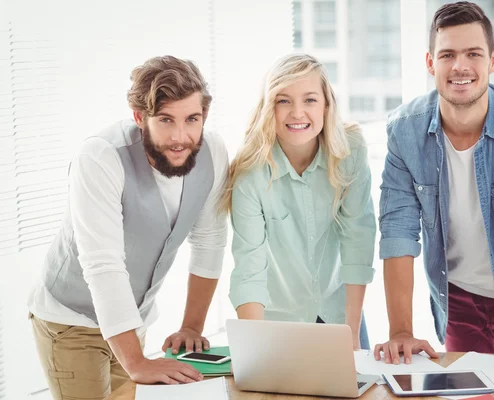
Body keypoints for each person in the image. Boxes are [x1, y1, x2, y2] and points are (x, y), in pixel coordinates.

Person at [374, 2, 494, 396]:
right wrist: (400, 330)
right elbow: (397, 230)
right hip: (457, 298)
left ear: (493, 60)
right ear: (431, 62)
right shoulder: (403, 132)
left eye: (473, 54)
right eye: (447, 54)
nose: (459, 66)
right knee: (466, 395)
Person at [27, 55, 229, 399]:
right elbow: (103, 263)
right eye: (165, 120)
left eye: (191, 119)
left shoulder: (212, 152)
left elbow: (209, 240)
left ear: (204, 116)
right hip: (71, 319)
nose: (180, 136)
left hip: (130, 321)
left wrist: (192, 326)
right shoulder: (101, 157)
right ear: (140, 117)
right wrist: (136, 361)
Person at [223, 53, 376, 350]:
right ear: (269, 108)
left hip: (341, 317)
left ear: (326, 105)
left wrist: (353, 336)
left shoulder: (350, 151)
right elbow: (249, 269)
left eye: (309, 100)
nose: (297, 113)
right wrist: (254, 350)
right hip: (278, 325)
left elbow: (358, 241)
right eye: (283, 100)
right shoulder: (250, 175)